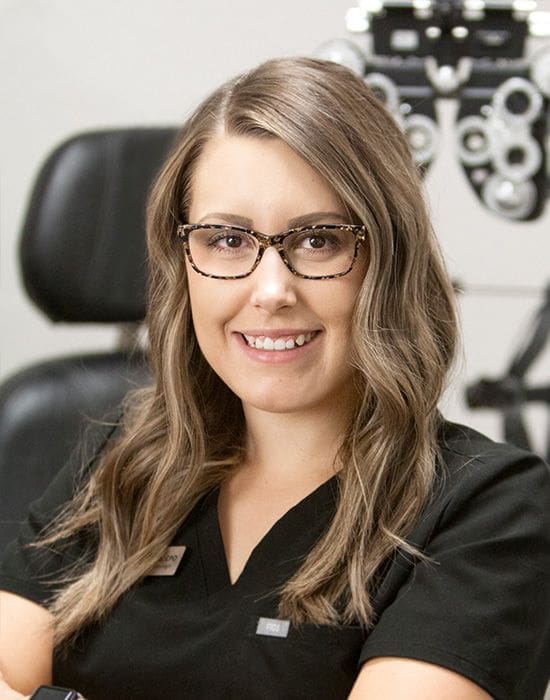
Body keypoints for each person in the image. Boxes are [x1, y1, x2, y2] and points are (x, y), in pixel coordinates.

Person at [0, 56, 549, 700]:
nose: (270, 291)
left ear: (387, 260)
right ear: (184, 262)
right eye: (227, 240)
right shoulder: (125, 460)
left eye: (319, 240)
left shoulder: (489, 510)